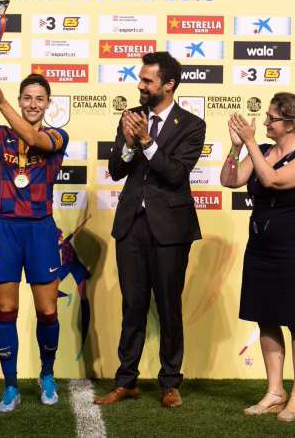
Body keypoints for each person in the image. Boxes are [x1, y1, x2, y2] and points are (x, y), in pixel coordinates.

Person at [94, 51, 205, 409]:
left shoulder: (192, 125)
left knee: (169, 306)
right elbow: (115, 170)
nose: (140, 86)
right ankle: (126, 380)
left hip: (171, 229)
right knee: (133, 305)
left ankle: (170, 382)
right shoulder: (131, 118)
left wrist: (145, 141)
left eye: (147, 81)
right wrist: (128, 143)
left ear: (168, 85)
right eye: (140, 79)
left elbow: (175, 174)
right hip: (132, 226)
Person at [0, 73, 69, 412]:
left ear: (48, 104)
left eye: (40, 99)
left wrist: (0, 101)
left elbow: (35, 140)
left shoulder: (57, 135)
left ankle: (47, 375)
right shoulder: (2, 135)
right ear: (21, 100)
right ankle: (10, 386)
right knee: (6, 310)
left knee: (48, 311)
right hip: (4, 229)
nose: (33, 104)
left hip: (40, 230)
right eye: (27, 98)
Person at [220, 92, 295, 422]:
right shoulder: (260, 150)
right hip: (260, 248)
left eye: (271, 118)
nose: (263, 122)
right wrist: (237, 146)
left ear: (290, 123)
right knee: (266, 316)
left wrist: (249, 142)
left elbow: (273, 179)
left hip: (294, 249)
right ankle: (275, 391)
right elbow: (230, 180)